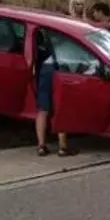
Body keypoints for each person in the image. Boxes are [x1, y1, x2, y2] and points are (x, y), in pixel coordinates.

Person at [32, 28, 72, 157]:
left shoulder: (48, 42)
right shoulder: (70, 43)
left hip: (45, 69)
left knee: (43, 108)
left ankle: (41, 146)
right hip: (61, 69)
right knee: (61, 107)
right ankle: (63, 147)